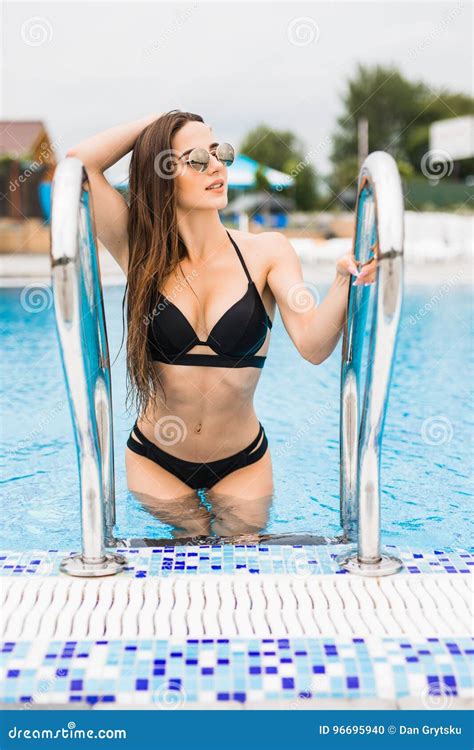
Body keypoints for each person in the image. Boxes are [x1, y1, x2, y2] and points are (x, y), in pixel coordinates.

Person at [66, 109, 375, 540]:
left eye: (219, 153)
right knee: (190, 543)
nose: (216, 167)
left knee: (242, 554)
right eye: (196, 160)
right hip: (156, 459)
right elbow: (78, 164)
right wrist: (157, 124)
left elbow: (313, 344)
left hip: (242, 461)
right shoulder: (140, 250)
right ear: (163, 174)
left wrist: (344, 283)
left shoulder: (267, 252)